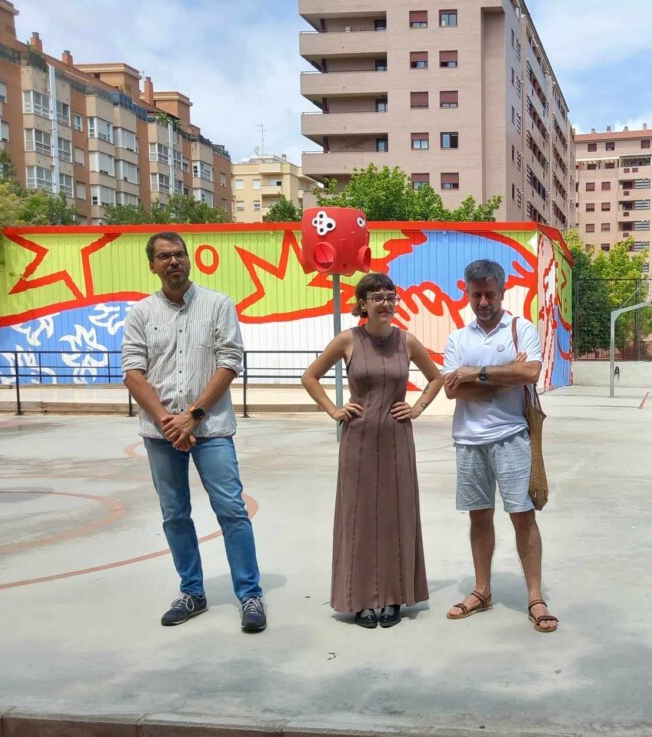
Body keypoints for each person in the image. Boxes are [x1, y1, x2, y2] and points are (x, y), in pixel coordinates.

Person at [121, 231, 267, 633]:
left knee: (232, 510)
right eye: (164, 256)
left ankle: (250, 594)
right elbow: (133, 372)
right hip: (160, 433)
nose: (174, 261)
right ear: (152, 265)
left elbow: (230, 362)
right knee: (175, 515)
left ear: (189, 260)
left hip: (213, 428)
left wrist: (194, 416)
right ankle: (192, 592)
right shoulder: (141, 314)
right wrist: (169, 421)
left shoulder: (218, 305)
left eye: (179, 254)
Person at [301, 273, 443, 628]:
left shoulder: (406, 341)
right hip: (359, 441)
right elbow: (310, 376)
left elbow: (436, 378)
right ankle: (360, 598)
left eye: (390, 296)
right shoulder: (348, 340)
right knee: (358, 517)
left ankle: (395, 596)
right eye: (376, 297)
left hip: (397, 439)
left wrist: (417, 407)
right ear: (361, 303)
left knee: (398, 515)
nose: (385, 303)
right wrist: (334, 410)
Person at [441, 259, 557, 633]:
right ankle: (482, 591)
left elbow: (531, 372)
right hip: (469, 440)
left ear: (503, 292)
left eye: (490, 293)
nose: (483, 301)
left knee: (523, 515)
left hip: (512, 437)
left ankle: (535, 597)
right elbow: (450, 389)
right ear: (468, 294)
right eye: (476, 295)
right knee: (479, 517)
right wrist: (508, 374)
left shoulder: (522, 329)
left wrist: (476, 373)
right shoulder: (458, 338)